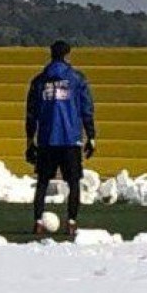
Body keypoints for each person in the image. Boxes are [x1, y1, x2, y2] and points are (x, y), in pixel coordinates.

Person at [25, 40, 96, 237]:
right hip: (70, 138)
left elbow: (31, 113)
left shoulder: (39, 81)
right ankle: (71, 222)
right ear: (67, 55)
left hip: (47, 138)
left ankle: (38, 222)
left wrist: (30, 141)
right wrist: (91, 135)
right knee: (73, 182)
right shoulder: (77, 79)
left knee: (42, 182)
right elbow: (86, 109)